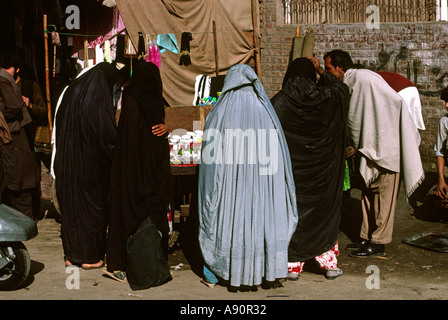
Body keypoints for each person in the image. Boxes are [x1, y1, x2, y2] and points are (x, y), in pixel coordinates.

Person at [198, 63, 298, 291]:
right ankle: (265, 272)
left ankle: (229, 272)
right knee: (260, 222)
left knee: (232, 223)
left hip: (231, 188)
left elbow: (210, 163)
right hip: (263, 186)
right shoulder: (265, 111)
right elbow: (279, 157)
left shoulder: (220, 112)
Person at [323, 50, 425, 257]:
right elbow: (359, 115)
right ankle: (365, 236)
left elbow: (391, 106)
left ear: (340, 68)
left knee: (384, 199)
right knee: (368, 195)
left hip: (387, 148)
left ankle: (378, 241)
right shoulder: (353, 82)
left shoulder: (362, 79)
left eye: (328, 69)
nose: (327, 73)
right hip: (372, 146)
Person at [271, 57, 350, 280]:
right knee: (324, 216)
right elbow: (342, 89)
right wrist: (321, 72)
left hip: (293, 176)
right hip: (323, 176)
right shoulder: (327, 99)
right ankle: (329, 265)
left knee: (293, 214)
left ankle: (292, 266)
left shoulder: (279, 102)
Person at [105, 60, 172, 287]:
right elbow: (135, 146)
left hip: (141, 174)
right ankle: (131, 262)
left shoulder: (145, 100)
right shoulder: (136, 101)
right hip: (136, 175)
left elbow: (155, 132)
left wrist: (165, 129)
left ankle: (145, 260)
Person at [52, 62, 118, 269]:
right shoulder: (98, 98)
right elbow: (107, 136)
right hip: (89, 166)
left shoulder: (73, 92)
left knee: (72, 209)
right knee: (92, 209)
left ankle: (72, 255)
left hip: (66, 162)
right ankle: (90, 257)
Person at [0, 53, 38, 218]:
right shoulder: (5, 77)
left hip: (14, 137)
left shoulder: (2, 79)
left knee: (17, 180)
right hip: (14, 138)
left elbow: (14, 107)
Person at [15, 63, 49, 219]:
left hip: (29, 139)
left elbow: (44, 111)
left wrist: (30, 105)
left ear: (17, 69)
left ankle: (33, 211)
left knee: (32, 175)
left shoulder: (30, 86)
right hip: (11, 142)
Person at [434, 86, 448, 198]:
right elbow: (440, 151)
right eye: (446, 102)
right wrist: (441, 179)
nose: (446, 106)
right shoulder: (444, 122)